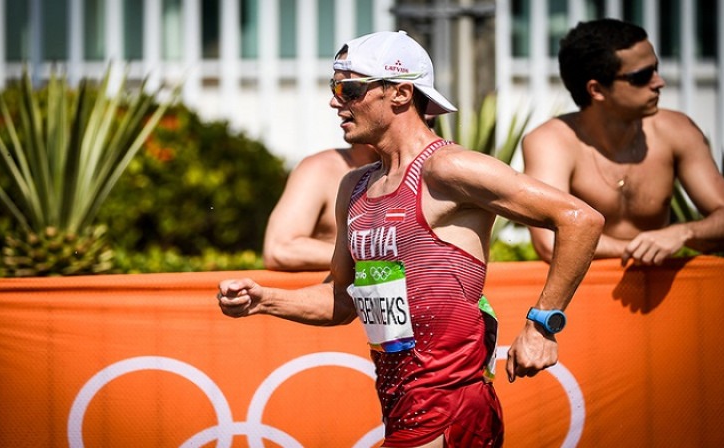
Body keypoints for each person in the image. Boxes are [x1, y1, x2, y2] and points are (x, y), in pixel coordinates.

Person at [217, 31, 603, 447]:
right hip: (402, 408)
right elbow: (343, 298)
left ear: (400, 93)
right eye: (334, 87)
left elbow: (579, 219)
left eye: (349, 88)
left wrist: (542, 326)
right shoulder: (355, 187)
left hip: (451, 407)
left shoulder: (450, 170)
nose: (335, 100)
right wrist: (265, 300)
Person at [522, 18, 724, 266]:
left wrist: (681, 232)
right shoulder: (552, 141)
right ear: (597, 90)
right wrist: (643, 248)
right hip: (586, 291)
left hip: (653, 293)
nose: (658, 82)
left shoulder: (677, 131)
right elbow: (548, 243)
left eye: (656, 68)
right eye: (642, 76)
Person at [262, 144, 378, 271]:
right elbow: (279, 249)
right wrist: (371, 256)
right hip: (338, 288)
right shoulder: (322, 168)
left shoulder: (400, 176)